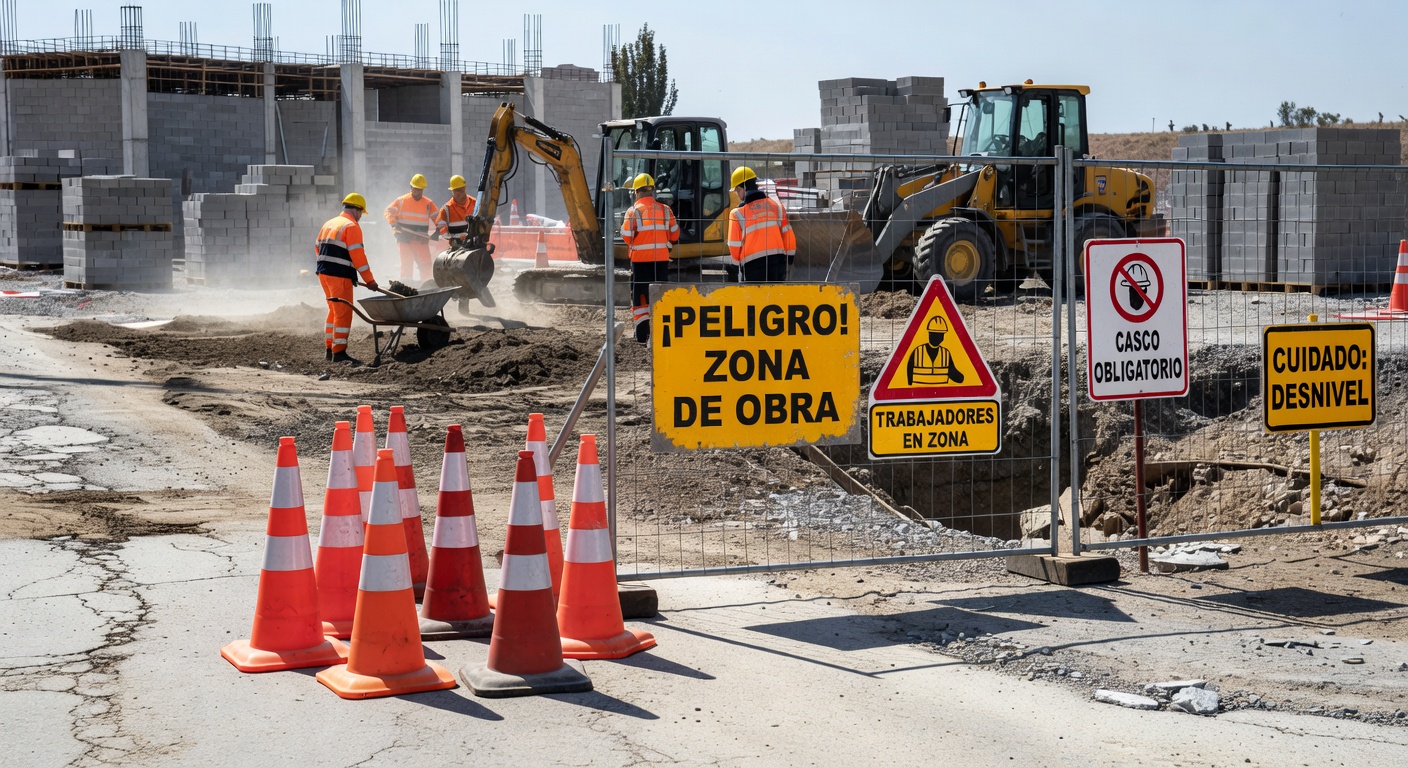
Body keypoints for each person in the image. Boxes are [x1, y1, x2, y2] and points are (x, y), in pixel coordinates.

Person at [317, 193, 378, 365]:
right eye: (361, 213)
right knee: (343, 313)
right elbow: (358, 257)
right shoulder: (351, 226)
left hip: (324, 273)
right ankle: (339, 352)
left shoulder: (329, 223)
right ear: (357, 210)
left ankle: (330, 348)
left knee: (333, 310)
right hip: (339, 276)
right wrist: (370, 281)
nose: (361, 217)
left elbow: (317, 247)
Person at [619, 173, 679, 343]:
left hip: (640, 264)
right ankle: (661, 336)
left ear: (636, 192)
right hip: (661, 263)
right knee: (660, 298)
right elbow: (675, 234)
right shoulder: (665, 210)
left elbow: (626, 236)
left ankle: (642, 336)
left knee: (640, 300)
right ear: (652, 191)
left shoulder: (633, 211)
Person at [726, 166, 795, 283]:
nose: (737, 195)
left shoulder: (737, 214)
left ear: (743, 188)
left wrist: (735, 267)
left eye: (737, 191)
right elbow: (789, 237)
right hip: (778, 263)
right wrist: (789, 259)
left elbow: (734, 246)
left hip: (753, 267)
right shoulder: (777, 207)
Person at [383, 174, 438, 282]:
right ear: (411, 188)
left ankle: (427, 285)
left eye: (420, 190)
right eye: (416, 189)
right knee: (406, 264)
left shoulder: (428, 203)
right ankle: (406, 285)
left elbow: (438, 218)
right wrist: (394, 223)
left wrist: (439, 230)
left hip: (421, 239)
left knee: (426, 264)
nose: (418, 192)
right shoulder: (401, 201)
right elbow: (388, 211)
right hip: (404, 238)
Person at [906, 316, 965, 386]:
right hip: (919, 394)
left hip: (942, 394)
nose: (937, 337)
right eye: (935, 334)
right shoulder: (918, 351)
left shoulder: (945, 353)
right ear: (929, 334)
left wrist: (963, 379)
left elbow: (953, 373)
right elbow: (909, 371)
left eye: (940, 334)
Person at [435, 175, 478, 246]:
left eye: (460, 190)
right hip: (456, 247)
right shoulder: (447, 209)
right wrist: (452, 238)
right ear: (452, 191)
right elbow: (440, 227)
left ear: (465, 188)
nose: (458, 193)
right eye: (455, 190)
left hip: (474, 245)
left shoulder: (475, 204)